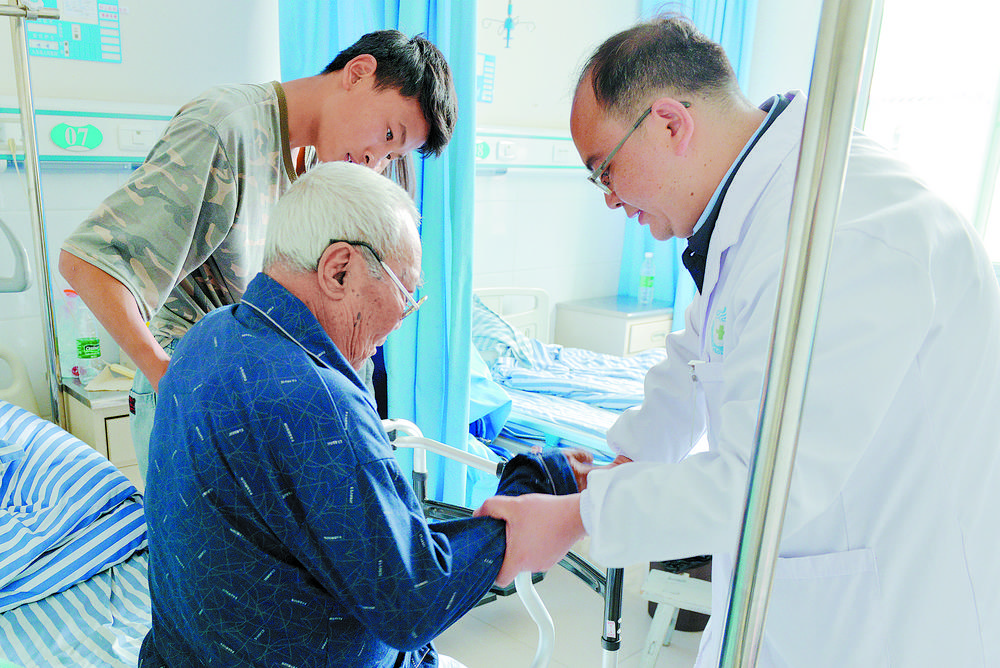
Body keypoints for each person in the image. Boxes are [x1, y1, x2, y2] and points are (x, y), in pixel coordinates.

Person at [475, 16, 1000, 667]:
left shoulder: (840, 232)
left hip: (890, 620)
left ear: (670, 124)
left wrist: (578, 516)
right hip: (813, 603)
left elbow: (764, 485)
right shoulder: (755, 214)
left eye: (604, 170)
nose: (608, 199)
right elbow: (695, 357)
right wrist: (621, 465)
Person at [138, 161, 579, 668]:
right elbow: (412, 602)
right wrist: (532, 497)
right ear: (339, 270)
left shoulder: (208, 335)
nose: (402, 318)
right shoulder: (313, 399)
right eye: (405, 293)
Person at [58, 29, 458, 480]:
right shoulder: (225, 127)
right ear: (358, 72)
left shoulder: (320, 165)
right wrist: (165, 375)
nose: (375, 160)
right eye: (387, 134)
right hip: (199, 388)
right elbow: (88, 262)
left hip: (259, 393)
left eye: (391, 154)